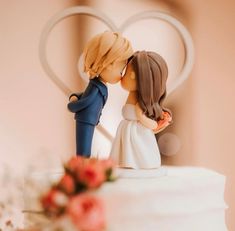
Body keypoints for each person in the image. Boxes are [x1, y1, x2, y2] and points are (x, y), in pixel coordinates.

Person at [67, 31, 133, 157]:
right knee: (84, 145)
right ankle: (83, 163)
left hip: (91, 119)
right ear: (109, 65)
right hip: (86, 119)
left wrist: (75, 96)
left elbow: (86, 96)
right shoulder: (96, 86)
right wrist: (73, 106)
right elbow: (87, 100)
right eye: (121, 70)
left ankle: (83, 161)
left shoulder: (98, 85)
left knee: (85, 143)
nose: (122, 75)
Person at [110, 51, 172, 169]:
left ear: (133, 76)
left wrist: (155, 125)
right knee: (126, 149)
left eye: (125, 72)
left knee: (135, 150)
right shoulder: (135, 101)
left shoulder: (139, 105)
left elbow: (145, 121)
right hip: (127, 130)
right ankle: (126, 162)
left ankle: (134, 163)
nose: (122, 76)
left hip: (136, 133)